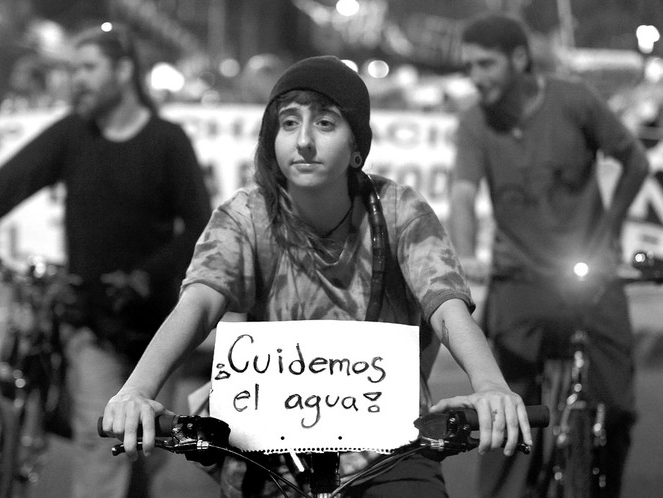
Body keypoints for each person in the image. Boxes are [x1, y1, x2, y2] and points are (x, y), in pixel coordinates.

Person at [101, 55, 533, 498]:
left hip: (391, 451)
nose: (303, 140)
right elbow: (199, 303)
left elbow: (444, 303)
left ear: (357, 149)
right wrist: (136, 390)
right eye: (288, 123)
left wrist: (490, 386)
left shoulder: (400, 209)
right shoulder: (245, 216)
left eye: (325, 124)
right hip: (271, 455)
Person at [0, 25, 212, 498]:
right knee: (102, 445)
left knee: (147, 451)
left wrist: (145, 276)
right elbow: (11, 181)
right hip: (90, 324)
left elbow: (199, 226)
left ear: (123, 72)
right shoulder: (72, 134)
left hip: (159, 328)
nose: (76, 79)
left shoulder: (167, 141)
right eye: (72, 69)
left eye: (88, 68)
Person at [448, 13, 650, 498]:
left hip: (593, 274)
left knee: (618, 408)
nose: (475, 77)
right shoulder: (474, 123)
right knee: (504, 411)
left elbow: (634, 161)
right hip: (518, 277)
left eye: (486, 64)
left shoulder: (574, 100)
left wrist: (612, 230)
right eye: (469, 66)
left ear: (519, 59)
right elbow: (461, 196)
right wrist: (465, 253)